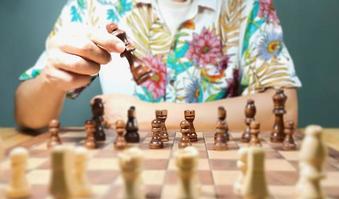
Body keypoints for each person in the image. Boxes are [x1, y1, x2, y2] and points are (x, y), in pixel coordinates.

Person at [15, 0, 301, 131]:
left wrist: (147, 115)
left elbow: (284, 109)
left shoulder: (249, 5)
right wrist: (51, 81)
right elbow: (29, 117)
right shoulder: (95, 5)